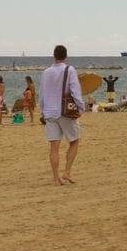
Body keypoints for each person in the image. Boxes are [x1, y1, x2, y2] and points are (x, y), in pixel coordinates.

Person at [39, 45, 85, 186]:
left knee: (54, 147)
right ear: (65, 56)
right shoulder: (69, 69)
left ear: (54, 56)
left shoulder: (46, 72)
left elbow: (42, 94)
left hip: (49, 113)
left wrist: (42, 110)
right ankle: (67, 172)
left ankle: (55, 178)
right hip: (65, 111)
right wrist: (81, 108)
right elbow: (75, 91)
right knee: (74, 141)